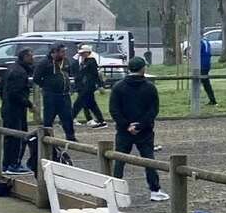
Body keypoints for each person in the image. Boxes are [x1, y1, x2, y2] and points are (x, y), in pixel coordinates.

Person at [108, 56, 168, 202]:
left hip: (124, 131)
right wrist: (141, 125)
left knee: (119, 160)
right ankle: (155, 189)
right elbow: (153, 110)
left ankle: (115, 189)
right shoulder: (149, 87)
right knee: (148, 160)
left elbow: (114, 110)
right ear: (143, 69)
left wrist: (126, 125)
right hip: (144, 131)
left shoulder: (118, 87)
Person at [0, 49, 38, 175]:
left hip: (7, 107)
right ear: (25, 57)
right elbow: (16, 93)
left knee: (9, 137)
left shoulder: (11, 68)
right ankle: (14, 164)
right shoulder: (19, 72)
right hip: (15, 109)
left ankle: (6, 164)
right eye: (31, 56)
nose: (33, 58)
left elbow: (2, 88)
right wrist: (29, 104)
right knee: (18, 137)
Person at [35, 43, 77, 145]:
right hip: (51, 95)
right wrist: (46, 86)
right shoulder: (44, 63)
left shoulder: (65, 61)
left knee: (67, 116)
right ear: (54, 52)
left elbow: (69, 73)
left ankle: (70, 137)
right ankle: (46, 138)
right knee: (49, 117)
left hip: (64, 95)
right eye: (62, 52)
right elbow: (36, 78)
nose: (64, 54)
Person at [72, 44, 107, 127]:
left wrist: (100, 85)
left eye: (83, 53)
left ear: (88, 52)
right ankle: (101, 121)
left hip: (88, 86)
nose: (81, 54)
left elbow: (95, 74)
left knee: (78, 103)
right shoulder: (82, 61)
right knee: (92, 104)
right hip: (83, 86)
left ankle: (69, 119)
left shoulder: (91, 61)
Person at [197, 32, 218, 106]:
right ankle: (212, 100)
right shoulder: (206, 42)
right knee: (205, 83)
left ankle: (212, 100)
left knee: (201, 83)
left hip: (201, 65)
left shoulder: (200, 43)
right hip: (206, 64)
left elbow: (197, 53)